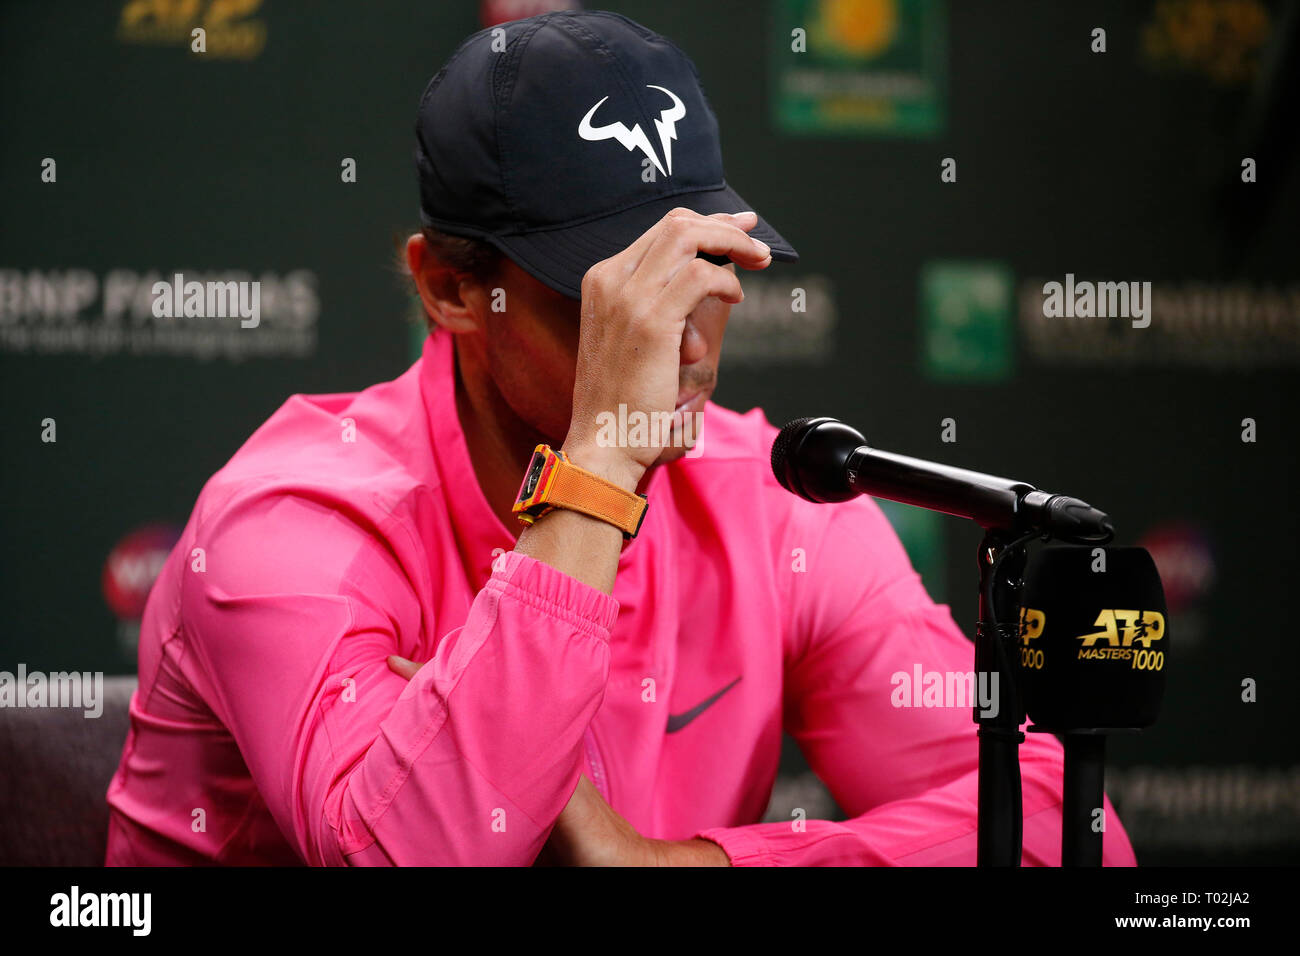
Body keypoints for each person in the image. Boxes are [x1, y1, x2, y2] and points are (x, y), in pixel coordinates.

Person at [105, 10, 1136, 866]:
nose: (679, 336)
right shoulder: (292, 515)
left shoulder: (770, 501)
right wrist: (600, 457)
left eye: (701, 264)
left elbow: (1061, 826)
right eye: (611, 293)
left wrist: (690, 864)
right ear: (451, 288)